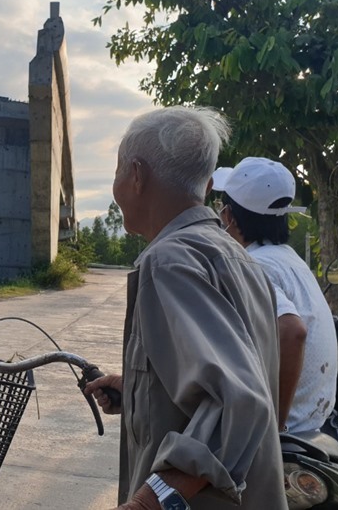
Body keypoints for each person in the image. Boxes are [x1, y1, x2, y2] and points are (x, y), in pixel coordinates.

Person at [84, 107, 287, 510]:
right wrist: (142, 391)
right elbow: (236, 373)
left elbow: (239, 403)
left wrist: (148, 502)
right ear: (210, 184)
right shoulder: (237, 257)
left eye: (118, 170)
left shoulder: (169, 261)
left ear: (136, 176)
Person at [211, 157, 337, 434]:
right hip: (313, 420)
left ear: (229, 217)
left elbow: (292, 331)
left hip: (289, 427)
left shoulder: (253, 265)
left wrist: (274, 426)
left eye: (220, 209)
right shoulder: (288, 258)